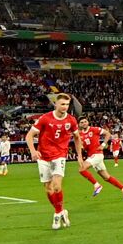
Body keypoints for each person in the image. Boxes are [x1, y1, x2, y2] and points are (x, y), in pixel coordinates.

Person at [26, 93, 82, 230]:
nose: (65, 107)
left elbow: (77, 138)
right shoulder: (45, 118)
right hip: (43, 156)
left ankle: (57, 214)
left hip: (59, 155)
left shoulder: (71, 120)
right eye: (62, 104)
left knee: (56, 186)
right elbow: (29, 135)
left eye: (67, 105)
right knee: (48, 188)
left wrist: (79, 156)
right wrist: (33, 151)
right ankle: (61, 211)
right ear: (56, 104)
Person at [75, 118, 123, 199]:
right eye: (82, 122)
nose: (84, 123)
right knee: (106, 177)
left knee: (81, 169)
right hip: (92, 156)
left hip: (97, 154)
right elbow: (82, 145)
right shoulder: (80, 135)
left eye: (85, 121)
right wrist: (80, 152)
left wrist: (103, 145)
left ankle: (97, 185)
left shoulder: (94, 129)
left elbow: (108, 133)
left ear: (88, 122)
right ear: (79, 124)